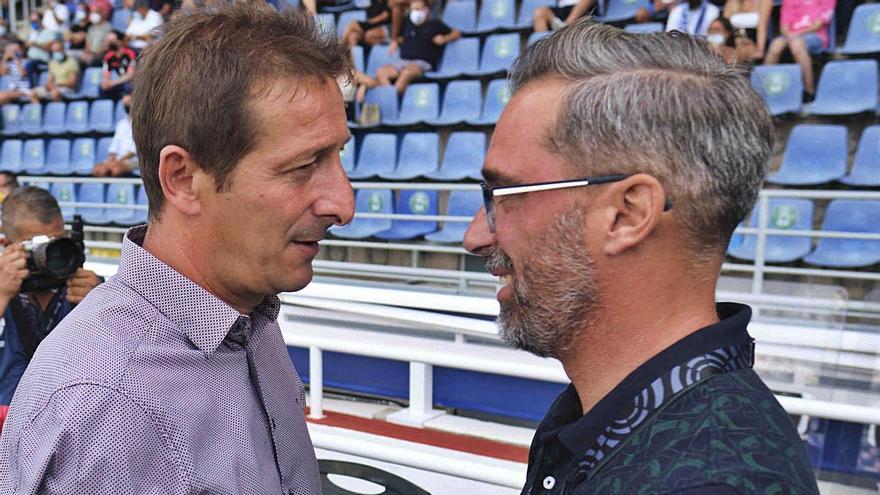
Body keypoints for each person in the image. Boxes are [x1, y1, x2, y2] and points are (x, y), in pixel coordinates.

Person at [0, 4, 354, 492]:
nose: (344, 203)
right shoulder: (108, 408)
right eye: (303, 166)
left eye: (339, 155)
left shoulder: (245, 319)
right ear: (183, 179)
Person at [463, 21, 820, 493]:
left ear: (628, 214)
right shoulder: (615, 411)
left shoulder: (711, 481)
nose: (474, 235)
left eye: (505, 194)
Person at [0, 188, 101, 420]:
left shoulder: (88, 287)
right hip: (6, 424)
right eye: (36, 246)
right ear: (7, 244)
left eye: (56, 243)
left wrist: (99, 305)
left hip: (71, 419)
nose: (48, 256)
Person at [377, 0, 460, 95]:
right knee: (381, 71)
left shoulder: (435, 25)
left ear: (426, 10)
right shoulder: (408, 24)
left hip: (421, 63)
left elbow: (457, 33)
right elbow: (400, 37)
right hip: (403, 61)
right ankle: (391, 95)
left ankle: (393, 96)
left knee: (406, 72)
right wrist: (395, 41)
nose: (414, 13)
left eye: (417, 9)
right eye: (412, 10)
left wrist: (445, 38)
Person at [763, 0, 834, 97]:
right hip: (791, 36)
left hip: (816, 35)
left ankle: (809, 91)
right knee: (775, 45)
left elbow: (819, 24)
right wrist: (790, 36)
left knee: (796, 44)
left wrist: (796, 35)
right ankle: (765, 90)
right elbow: (784, 27)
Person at [92, 95, 137, 177]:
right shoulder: (121, 123)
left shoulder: (143, 124)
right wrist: (111, 158)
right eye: (125, 103)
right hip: (118, 159)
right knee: (96, 170)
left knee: (116, 170)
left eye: (129, 102)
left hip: (135, 159)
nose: (126, 104)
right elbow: (115, 142)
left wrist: (118, 161)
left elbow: (135, 149)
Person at [100, 30, 136, 97]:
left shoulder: (130, 54)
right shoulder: (108, 56)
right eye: (108, 40)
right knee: (102, 88)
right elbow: (106, 74)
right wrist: (106, 83)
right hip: (120, 83)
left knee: (129, 86)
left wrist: (112, 83)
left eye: (112, 40)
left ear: (120, 41)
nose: (109, 43)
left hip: (133, 82)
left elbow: (130, 75)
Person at [533, 0, 598, 32]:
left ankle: (565, 27)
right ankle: (543, 48)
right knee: (539, 12)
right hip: (563, 9)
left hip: (585, 8)